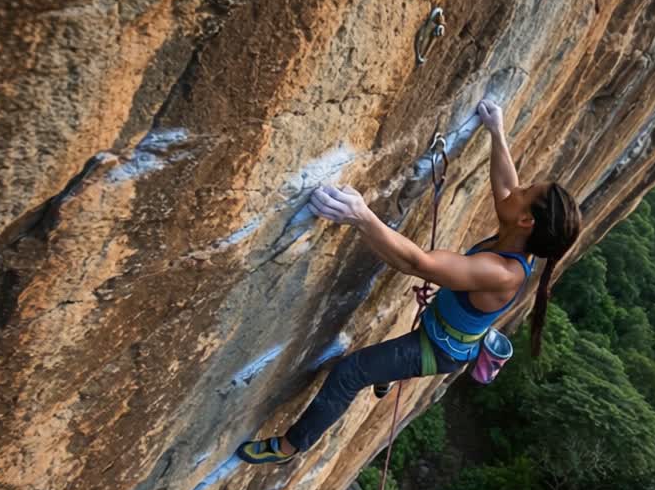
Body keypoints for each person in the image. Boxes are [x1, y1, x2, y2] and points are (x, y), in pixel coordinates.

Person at [237, 99, 583, 465]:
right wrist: (497, 131)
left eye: (527, 192)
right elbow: (506, 184)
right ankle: (388, 372)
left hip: (439, 348)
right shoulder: (518, 232)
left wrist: (361, 217)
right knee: (378, 362)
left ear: (527, 220)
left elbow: (416, 262)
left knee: (349, 372)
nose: (518, 188)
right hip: (443, 328)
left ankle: (290, 447)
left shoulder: (501, 272)